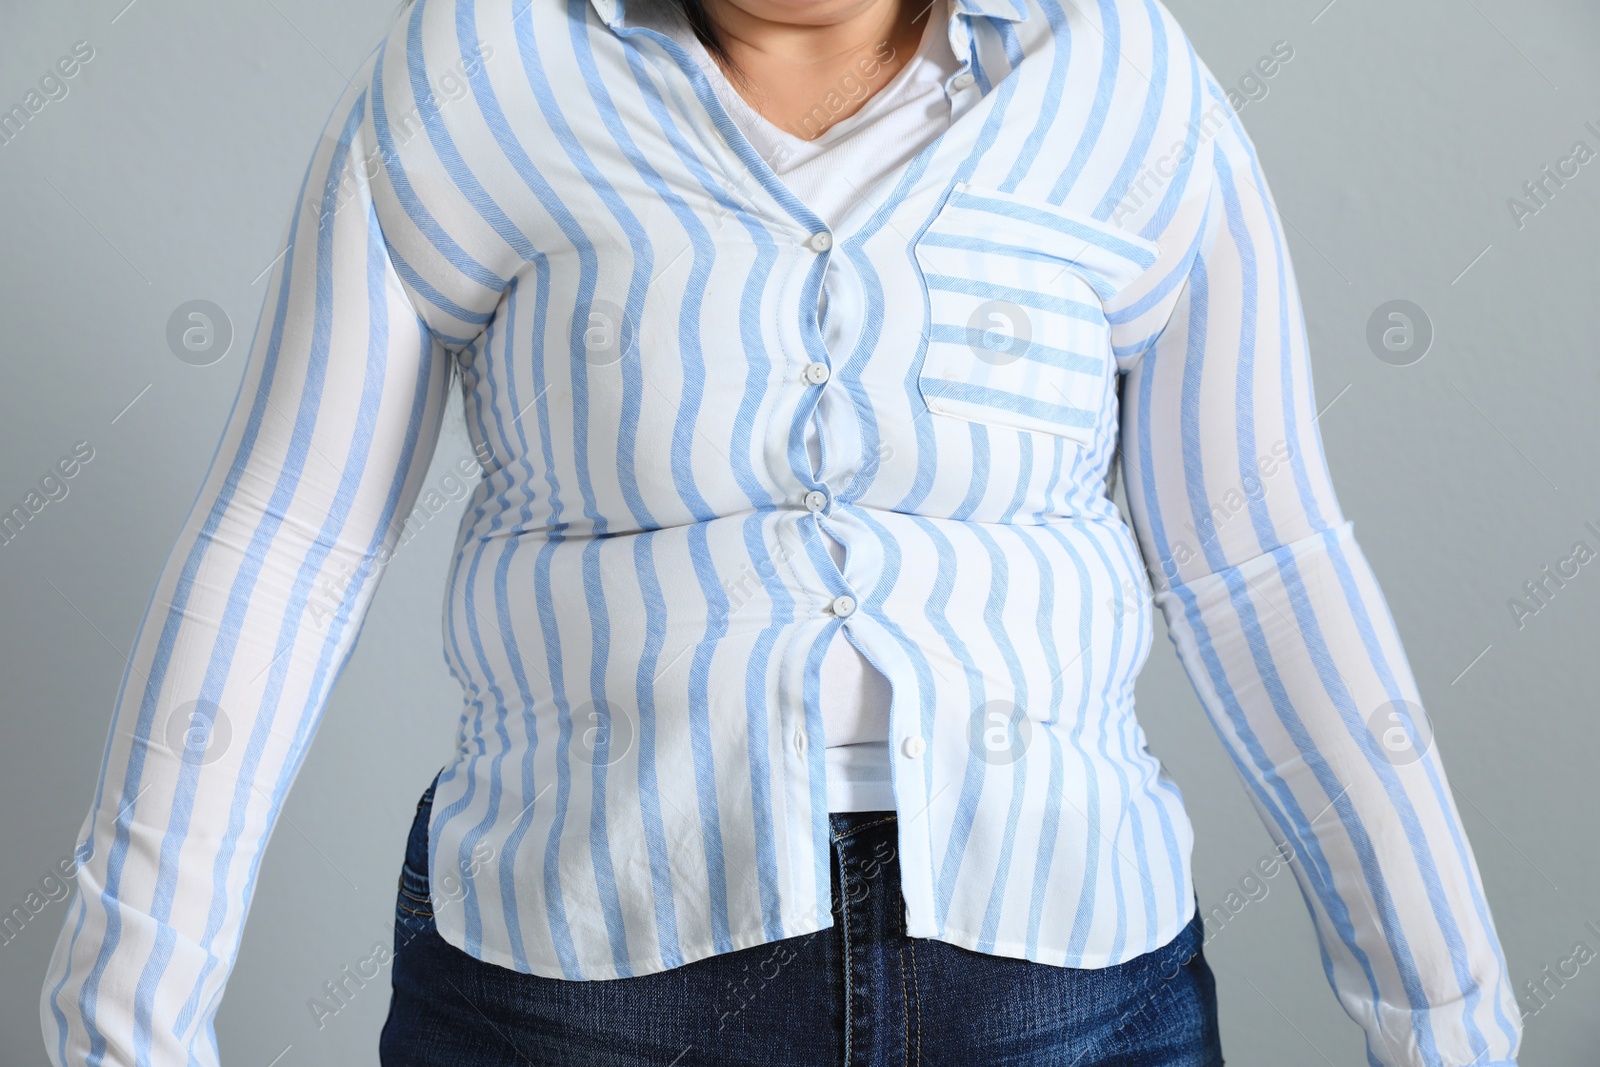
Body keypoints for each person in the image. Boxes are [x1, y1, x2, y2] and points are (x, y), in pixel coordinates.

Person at [41, 0, 1522, 1063]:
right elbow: (283, 549)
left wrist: (1447, 1017)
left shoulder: (1120, 76)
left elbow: (1263, 564)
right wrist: (127, 1016)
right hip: (582, 986)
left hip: (1058, 984)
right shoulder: (480, 67)